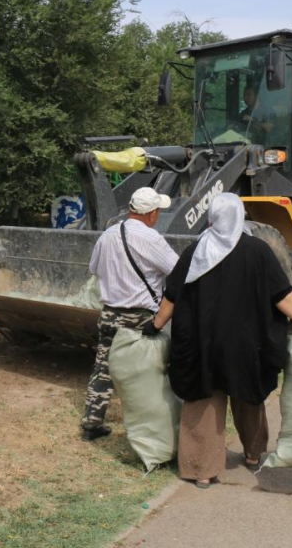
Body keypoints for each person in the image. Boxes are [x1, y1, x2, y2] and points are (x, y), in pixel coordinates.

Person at [146, 193, 292, 489]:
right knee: (248, 395)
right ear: (240, 216)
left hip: (202, 344)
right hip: (246, 344)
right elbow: (282, 295)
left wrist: (155, 325)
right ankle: (253, 454)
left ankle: (202, 470)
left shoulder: (195, 252)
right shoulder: (258, 251)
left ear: (212, 218)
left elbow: (171, 297)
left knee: (203, 398)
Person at [80, 187, 179, 441]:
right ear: (152, 213)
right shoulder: (152, 238)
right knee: (148, 371)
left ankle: (92, 423)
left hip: (110, 314)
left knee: (103, 367)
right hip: (141, 317)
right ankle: (149, 430)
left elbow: (94, 268)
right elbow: (177, 271)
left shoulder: (108, 235)